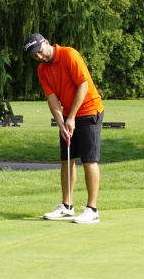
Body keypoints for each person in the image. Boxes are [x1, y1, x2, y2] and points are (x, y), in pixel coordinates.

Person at [24, 33, 104, 223]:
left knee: (89, 160)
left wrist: (72, 117)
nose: (39, 57)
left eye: (40, 51)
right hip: (68, 114)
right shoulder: (42, 70)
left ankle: (92, 209)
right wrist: (61, 121)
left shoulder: (69, 55)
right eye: (34, 56)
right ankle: (67, 206)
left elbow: (83, 86)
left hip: (89, 110)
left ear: (46, 43)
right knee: (67, 159)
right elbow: (51, 98)